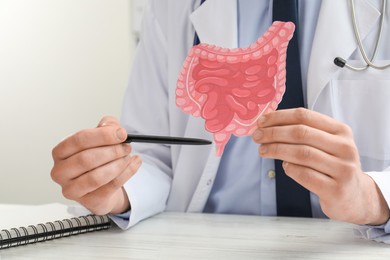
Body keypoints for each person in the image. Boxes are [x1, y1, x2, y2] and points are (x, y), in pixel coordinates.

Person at [51, 0, 390, 236]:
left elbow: (375, 196)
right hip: (205, 243)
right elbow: (152, 155)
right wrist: (116, 186)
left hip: (345, 245)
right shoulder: (174, 6)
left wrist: (372, 197)